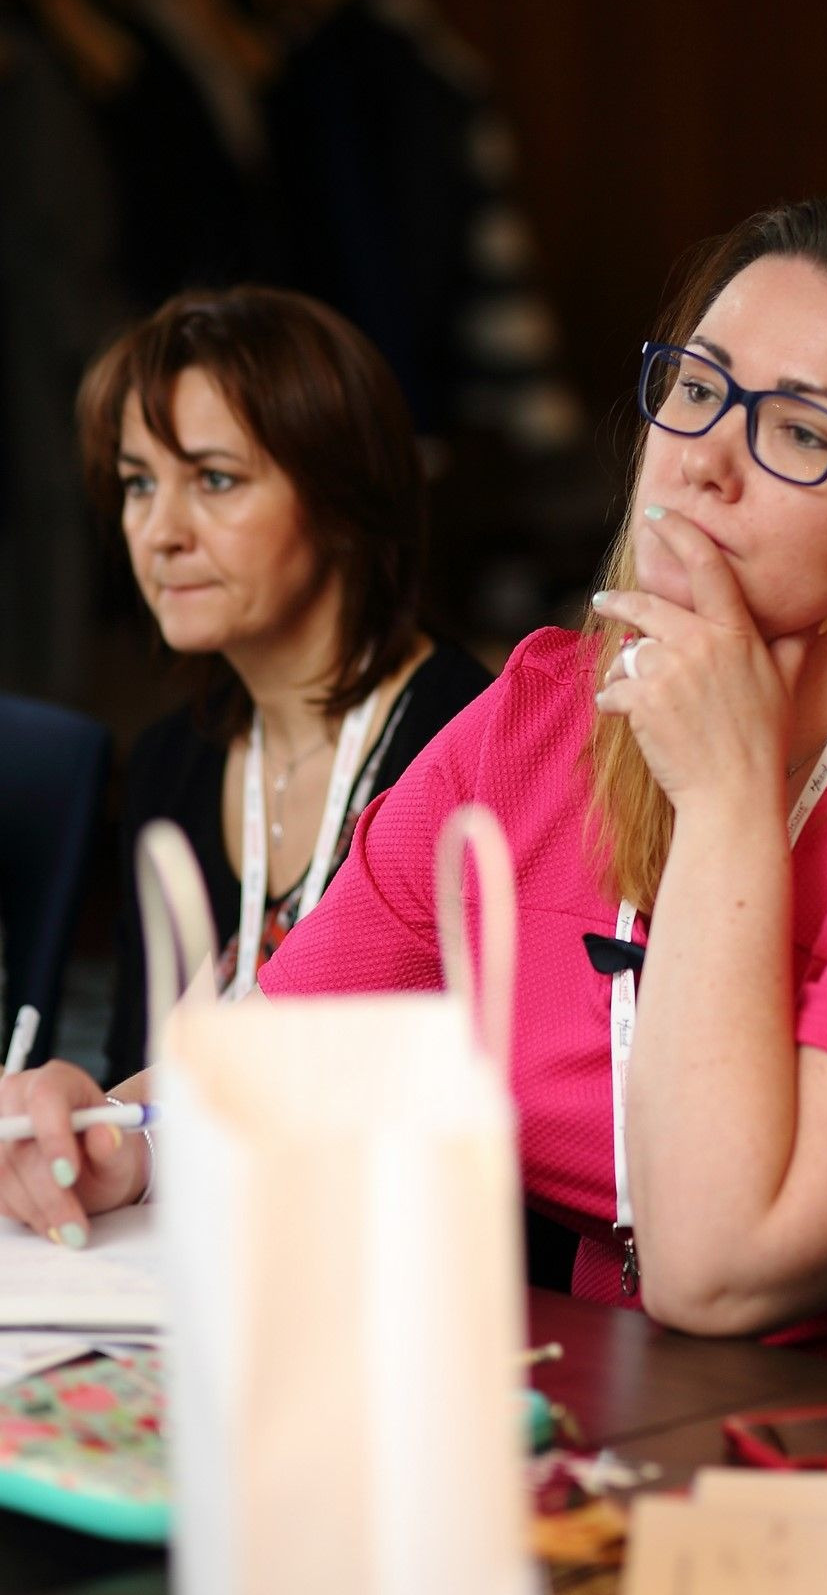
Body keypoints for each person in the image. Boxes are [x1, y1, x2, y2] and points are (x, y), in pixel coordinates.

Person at [5, 200, 827, 1438]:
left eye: (801, 431)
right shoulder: (537, 717)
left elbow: (723, 1267)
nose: (704, 462)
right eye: (697, 390)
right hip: (645, 1442)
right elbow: (268, 1063)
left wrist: (725, 801)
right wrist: (118, 1137)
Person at [0, 284, 490, 1196]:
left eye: (215, 480)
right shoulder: (168, 762)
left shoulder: (468, 740)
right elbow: (132, 1079)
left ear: (342, 500)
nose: (159, 533)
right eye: (139, 483)